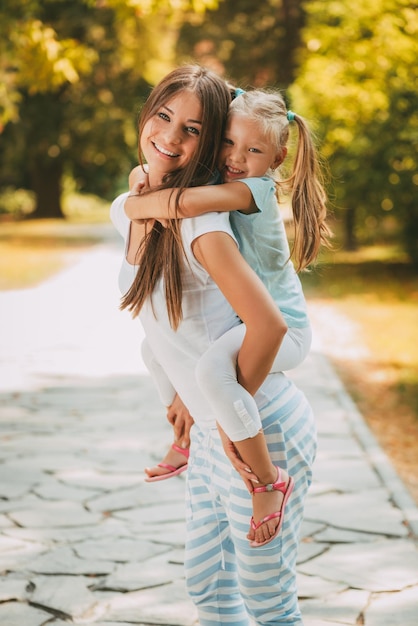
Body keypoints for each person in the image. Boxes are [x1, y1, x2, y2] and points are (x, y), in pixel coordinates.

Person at [111, 64, 317, 624]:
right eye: (163, 116)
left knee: (267, 604)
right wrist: (194, 414)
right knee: (210, 591)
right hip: (212, 431)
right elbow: (161, 327)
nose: (171, 137)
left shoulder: (211, 215)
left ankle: (267, 485)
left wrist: (223, 415)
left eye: (196, 129)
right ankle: (190, 433)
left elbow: (270, 326)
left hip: (259, 426)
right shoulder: (143, 202)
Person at [124, 88, 331, 490]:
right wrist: (140, 180)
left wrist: (134, 205)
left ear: (276, 158)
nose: (236, 157)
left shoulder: (254, 190)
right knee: (156, 349)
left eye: (253, 150)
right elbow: (143, 174)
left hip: (285, 327)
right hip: (248, 319)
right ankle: (184, 438)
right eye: (228, 143)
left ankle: (268, 482)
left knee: (214, 373)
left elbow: (182, 204)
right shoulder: (228, 173)